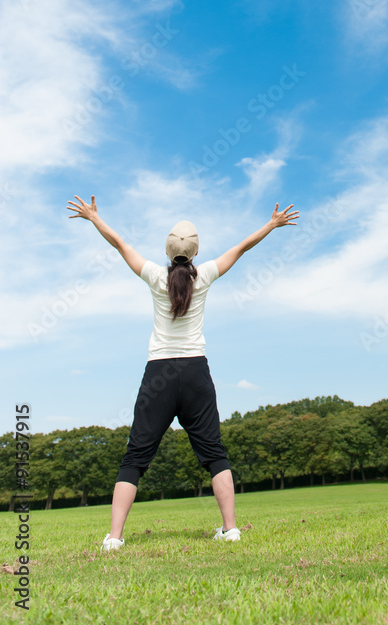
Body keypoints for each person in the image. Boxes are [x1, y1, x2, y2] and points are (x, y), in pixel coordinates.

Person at [66, 194, 299, 552]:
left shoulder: (155, 276)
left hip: (158, 372)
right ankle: (231, 529)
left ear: (167, 250)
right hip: (195, 372)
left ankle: (114, 538)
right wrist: (271, 224)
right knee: (213, 452)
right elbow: (241, 248)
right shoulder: (203, 275)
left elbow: (121, 244)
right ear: (194, 253)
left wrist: (94, 218)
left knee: (136, 455)